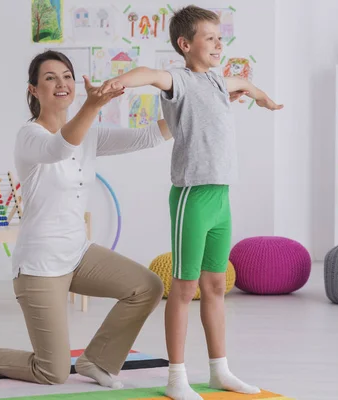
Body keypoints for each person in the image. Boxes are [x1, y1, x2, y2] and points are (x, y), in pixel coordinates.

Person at [0, 50, 245, 389]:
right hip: (39, 266)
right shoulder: (29, 136)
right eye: (50, 78)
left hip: (78, 254)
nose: (61, 83)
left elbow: (147, 136)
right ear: (33, 90)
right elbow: (59, 148)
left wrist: (204, 106)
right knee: (53, 371)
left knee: (146, 286)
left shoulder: (90, 132)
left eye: (66, 76)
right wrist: (93, 105)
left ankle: (97, 361)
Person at [98, 5, 284, 400]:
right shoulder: (177, 80)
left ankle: (220, 371)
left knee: (216, 285)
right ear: (185, 44)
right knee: (184, 288)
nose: (219, 44)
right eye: (210, 38)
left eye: (220, 37)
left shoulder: (217, 82)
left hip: (221, 197)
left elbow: (243, 84)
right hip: (192, 196)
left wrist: (264, 98)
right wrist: (118, 81)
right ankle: (176, 377)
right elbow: (147, 75)